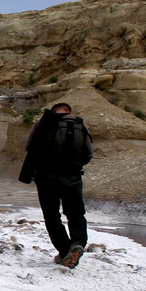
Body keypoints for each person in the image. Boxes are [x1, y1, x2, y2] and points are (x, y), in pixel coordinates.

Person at [19, 103, 93, 269]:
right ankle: (78, 243)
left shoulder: (43, 122)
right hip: (72, 177)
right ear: (70, 111)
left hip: (46, 179)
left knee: (52, 217)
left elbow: (29, 147)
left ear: (53, 111)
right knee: (75, 214)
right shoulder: (80, 123)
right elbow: (89, 152)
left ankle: (65, 250)